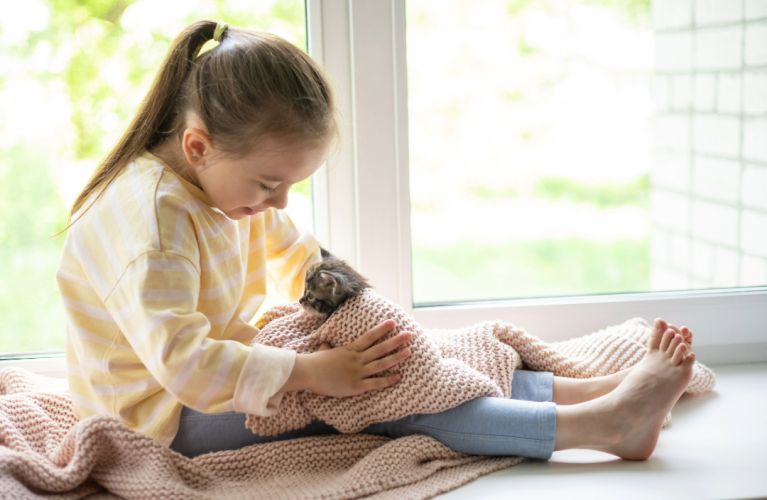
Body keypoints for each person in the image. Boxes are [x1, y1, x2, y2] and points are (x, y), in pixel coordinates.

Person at [57, 20, 697, 462]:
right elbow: (187, 368)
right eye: (270, 182)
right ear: (199, 146)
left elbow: (298, 255)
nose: (278, 202)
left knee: (396, 355)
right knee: (380, 388)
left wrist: (368, 315)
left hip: (216, 373)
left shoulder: (222, 188)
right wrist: (319, 373)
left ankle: (579, 392)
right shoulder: (153, 220)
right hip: (160, 420)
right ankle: (599, 426)